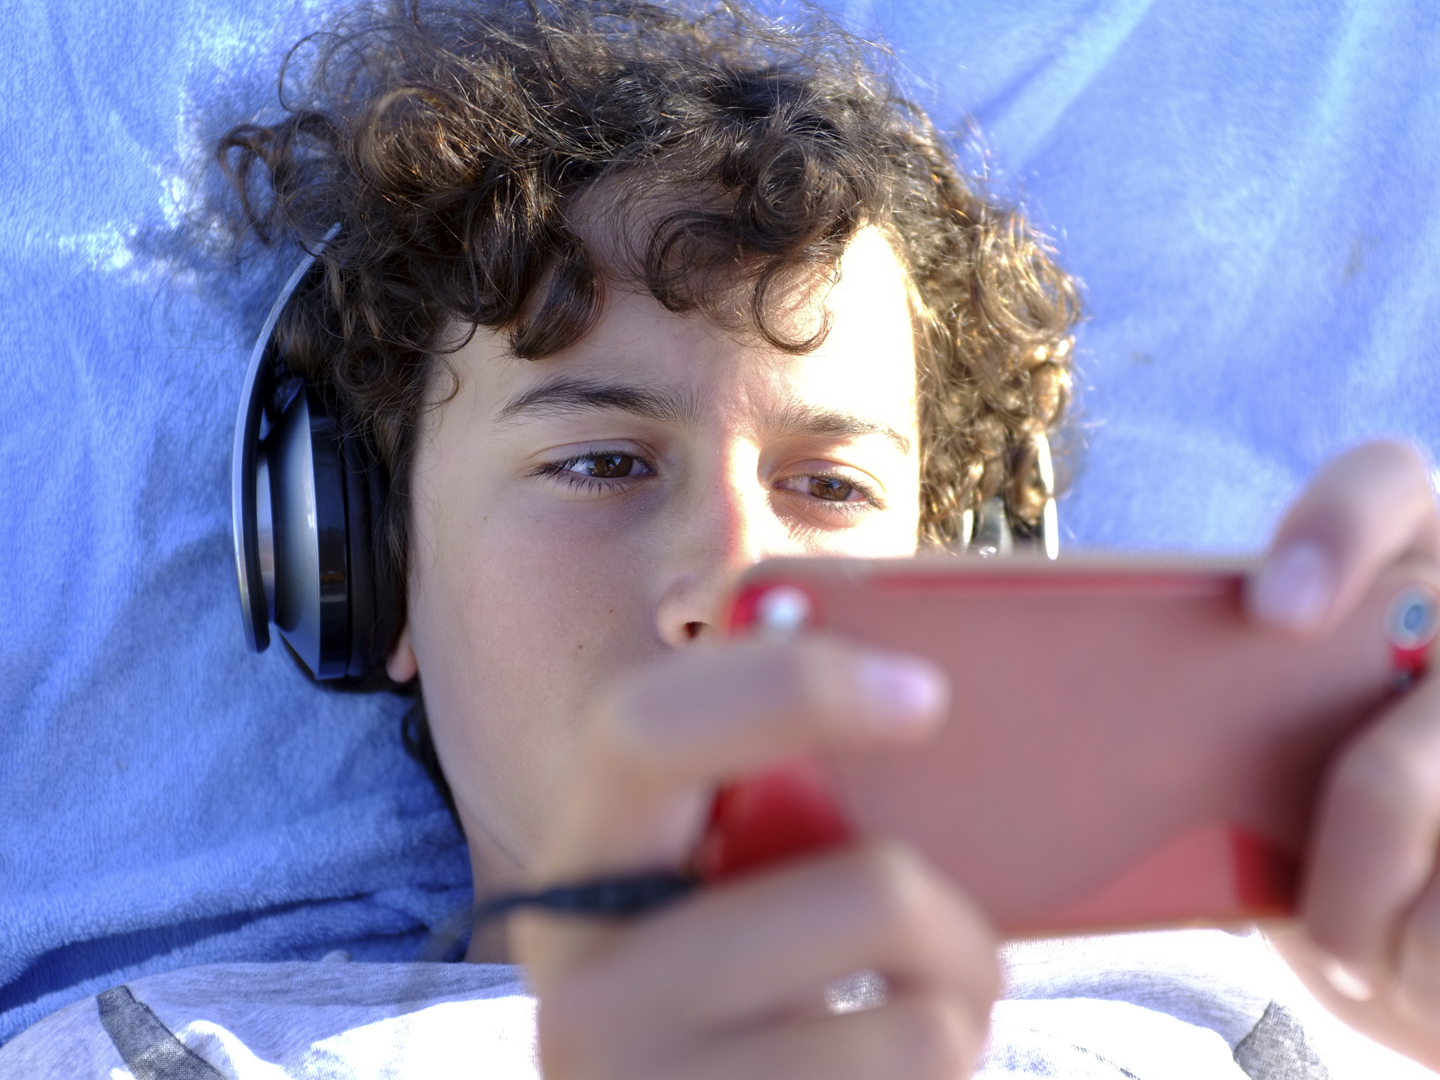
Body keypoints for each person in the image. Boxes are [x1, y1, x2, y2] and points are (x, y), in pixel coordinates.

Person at [5, 0, 1440, 1077]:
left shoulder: (1266, 992)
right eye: (604, 461)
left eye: (830, 486)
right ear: (367, 559)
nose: (734, 581)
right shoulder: (150, 1048)